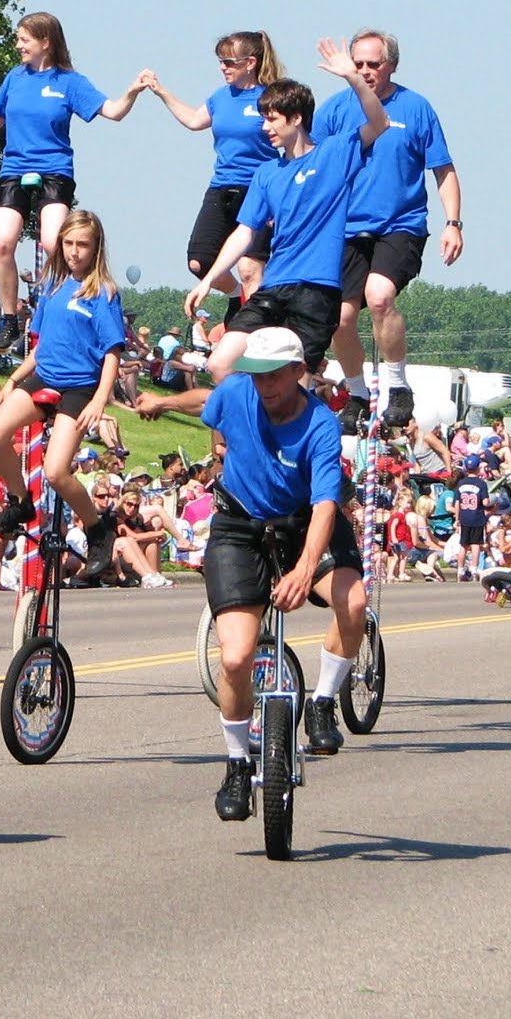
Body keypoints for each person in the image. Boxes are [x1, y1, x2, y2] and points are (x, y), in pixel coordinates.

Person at [135, 328, 366, 820]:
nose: (265, 386)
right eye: (257, 375)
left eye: (275, 376)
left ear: (298, 372)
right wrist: (163, 401)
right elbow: (207, 400)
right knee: (237, 656)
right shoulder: (240, 391)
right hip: (240, 526)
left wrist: (305, 569)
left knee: (354, 604)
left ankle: (322, 701)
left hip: (303, 522)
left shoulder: (320, 426)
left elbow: (326, 505)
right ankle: (238, 763)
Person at [185, 39, 391, 382]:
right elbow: (244, 232)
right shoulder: (267, 173)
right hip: (273, 288)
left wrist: (353, 77)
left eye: (272, 120)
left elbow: (379, 122)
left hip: (316, 291)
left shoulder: (334, 154)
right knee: (220, 364)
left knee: (291, 383)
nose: (265, 127)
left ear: (296, 119)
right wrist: (207, 281)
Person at [0, 12, 148, 350]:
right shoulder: (15, 78)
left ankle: (72, 303)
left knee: (54, 243)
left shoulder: (70, 82)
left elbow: (113, 111)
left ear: (45, 42)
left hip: (54, 169)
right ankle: (10, 320)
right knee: (3, 243)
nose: (18, 45)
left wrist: (132, 91)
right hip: (15, 167)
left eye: (24, 39)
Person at [317, 29, 463, 433]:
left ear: (391, 66)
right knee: (339, 318)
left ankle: (397, 385)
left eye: (373, 64)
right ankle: (357, 393)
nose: (365, 71)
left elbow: (443, 170)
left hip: (400, 224)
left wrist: (453, 223)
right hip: (346, 226)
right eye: (358, 64)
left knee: (379, 296)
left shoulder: (415, 108)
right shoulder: (334, 110)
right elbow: (312, 164)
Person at [0, 210, 123, 577]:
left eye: (83, 245)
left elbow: (112, 353)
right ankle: (20, 501)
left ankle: (98, 530)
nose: (74, 251)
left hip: (80, 387)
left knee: (56, 472)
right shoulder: (53, 286)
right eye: (69, 243)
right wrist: (14, 379)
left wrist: (99, 399)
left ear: (96, 248)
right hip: (44, 376)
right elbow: (41, 346)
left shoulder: (103, 292)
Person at [142, 31, 286, 305]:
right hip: (222, 187)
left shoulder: (269, 97)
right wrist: (161, 91)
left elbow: (291, 139)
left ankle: (253, 322)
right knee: (200, 261)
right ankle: (237, 297)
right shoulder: (220, 98)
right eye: (220, 61)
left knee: (249, 267)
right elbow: (194, 120)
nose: (223, 67)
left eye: (229, 62)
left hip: (258, 189)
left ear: (250, 63)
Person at [454, 454, 491, 580]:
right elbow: (485, 502)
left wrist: (457, 518)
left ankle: (460, 570)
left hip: (464, 517)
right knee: (475, 544)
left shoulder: (461, 483)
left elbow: (457, 502)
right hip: (477, 518)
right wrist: (491, 501)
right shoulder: (481, 483)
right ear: (478, 467)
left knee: (463, 545)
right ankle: (474, 569)